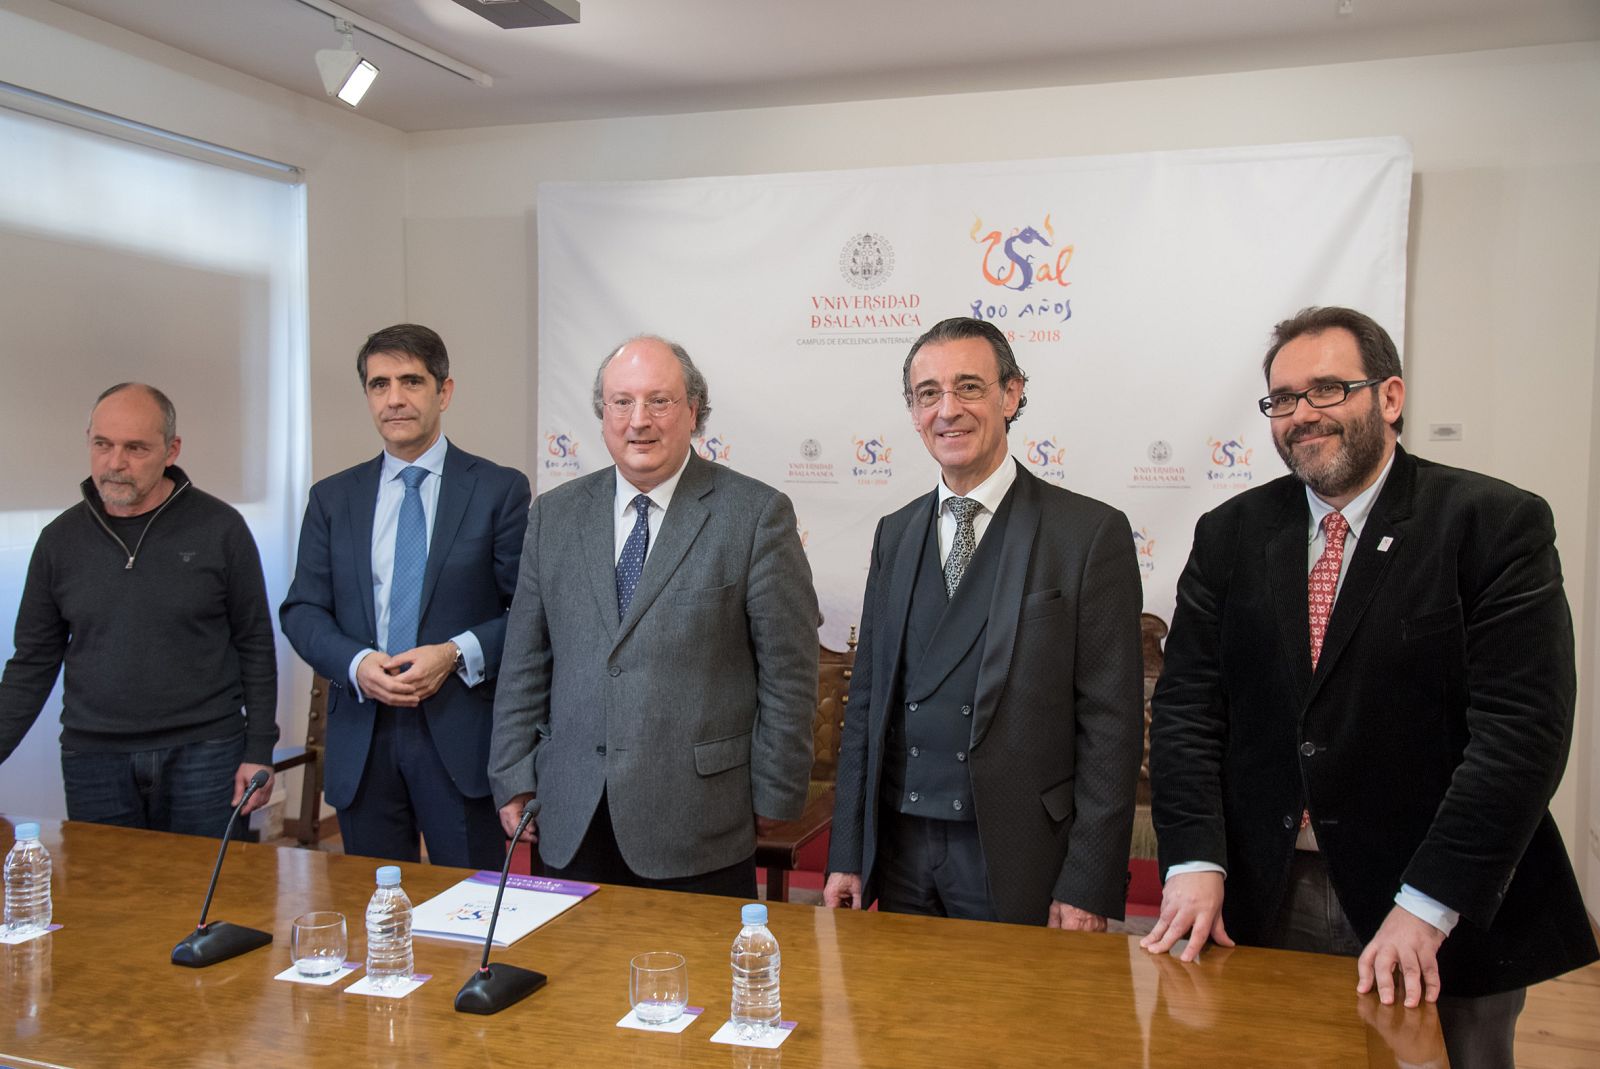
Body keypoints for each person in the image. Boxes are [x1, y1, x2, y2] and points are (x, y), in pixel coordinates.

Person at [1142, 306, 1597, 1068]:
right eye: (1283, 398)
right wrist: (1193, 857)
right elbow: (1188, 707)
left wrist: (1427, 905)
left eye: (1328, 389)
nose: (1302, 414)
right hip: (1262, 890)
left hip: (1434, 902)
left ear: (1389, 398)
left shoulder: (1492, 522)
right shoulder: (1230, 533)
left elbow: (1521, 735)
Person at [824, 316, 1144, 927]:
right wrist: (848, 850)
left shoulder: (1087, 534)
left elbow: (1112, 726)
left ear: (1011, 394)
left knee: (1016, 1021)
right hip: (898, 852)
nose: (948, 410)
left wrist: (1088, 880)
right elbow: (865, 703)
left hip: (1018, 854)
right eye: (928, 395)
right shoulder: (895, 533)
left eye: (969, 387)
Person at [489, 335, 818, 897]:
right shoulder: (554, 516)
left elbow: (788, 673)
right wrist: (513, 775)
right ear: (602, 415)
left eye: (659, 401)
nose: (638, 420)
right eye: (621, 402)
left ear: (693, 411)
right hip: (569, 814)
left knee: (700, 983)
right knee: (574, 983)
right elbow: (525, 660)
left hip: (700, 822)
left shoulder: (755, 516)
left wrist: (775, 792)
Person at [281, 324, 530, 869]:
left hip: (459, 734)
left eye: (411, 381)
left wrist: (455, 652)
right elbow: (302, 610)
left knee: (469, 909)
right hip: (363, 739)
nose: (394, 398)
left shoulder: (497, 490)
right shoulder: (332, 498)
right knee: (376, 910)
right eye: (379, 384)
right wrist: (355, 661)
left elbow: (530, 614)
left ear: (444, 391)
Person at [0, 383, 277, 837]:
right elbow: (32, 662)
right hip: (94, 760)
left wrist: (260, 747)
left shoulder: (221, 529)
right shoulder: (58, 541)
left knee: (211, 898)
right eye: (102, 445)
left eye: (135, 448)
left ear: (171, 450)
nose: (115, 463)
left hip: (206, 753)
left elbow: (255, 643)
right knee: (110, 902)